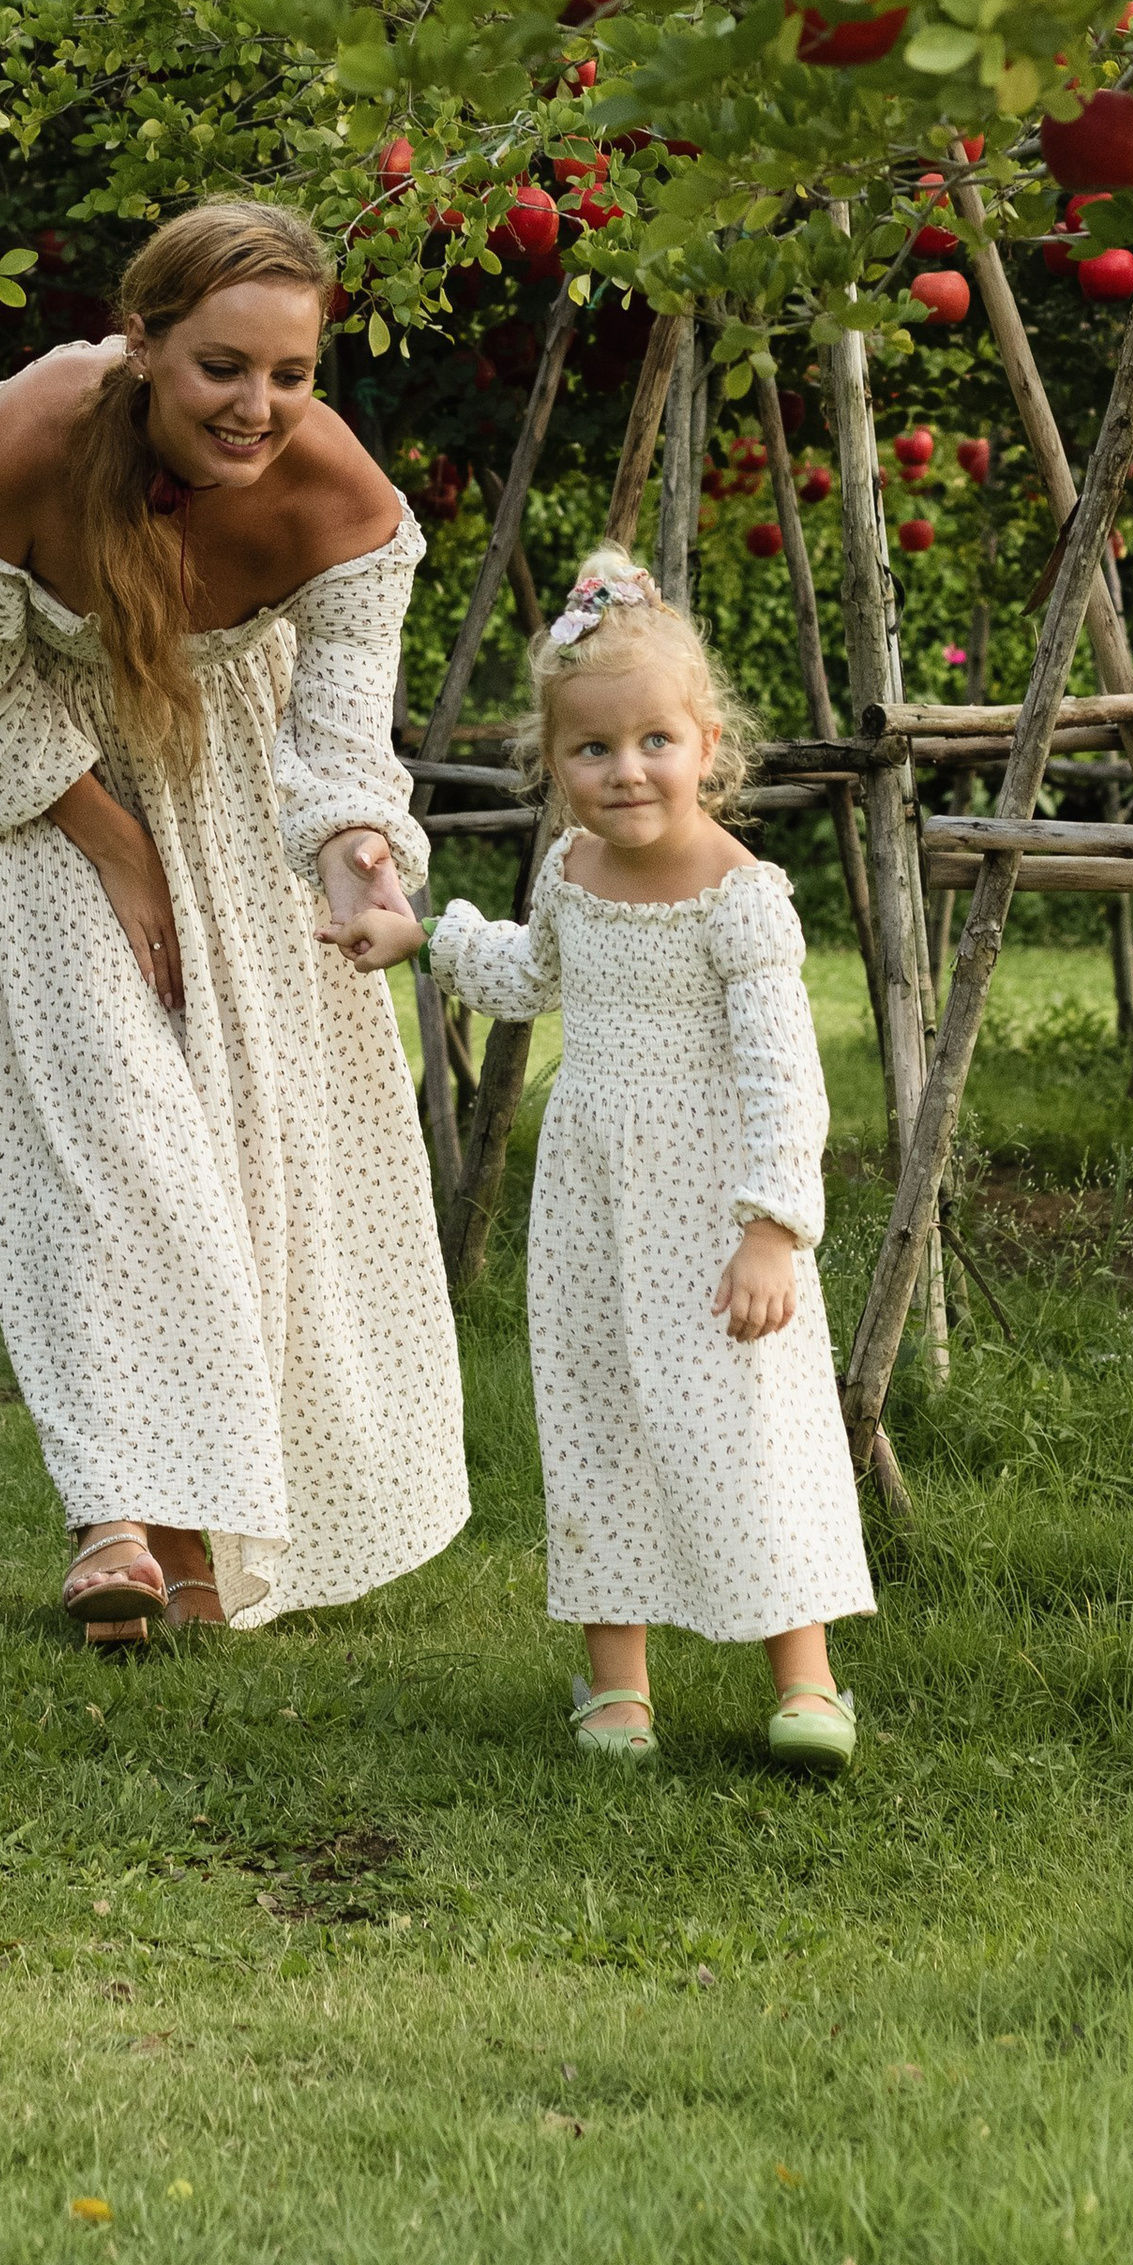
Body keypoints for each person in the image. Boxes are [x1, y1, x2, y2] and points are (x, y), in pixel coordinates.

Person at [0, 196, 467, 1640]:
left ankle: (200, 1537)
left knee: (238, 1152)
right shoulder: (10, 453)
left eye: (291, 374)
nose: (258, 406)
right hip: (43, 795)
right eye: (224, 366)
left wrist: (357, 864)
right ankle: (113, 1514)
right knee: (125, 1133)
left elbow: (341, 750)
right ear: (141, 341)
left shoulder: (349, 510)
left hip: (230, 789)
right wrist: (119, 854)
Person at [417, 550, 873, 1765]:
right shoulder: (570, 870)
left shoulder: (740, 892)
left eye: (655, 742)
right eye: (591, 750)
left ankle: (805, 1679)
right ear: (550, 762)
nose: (625, 772)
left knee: (753, 1420)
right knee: (596, 1410)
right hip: (591, 1195)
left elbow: (787, 1073)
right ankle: (616, 1686)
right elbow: (532, 974)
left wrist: (774, 1224)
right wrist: (425, 936)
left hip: (716, 1208)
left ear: (706, 742)